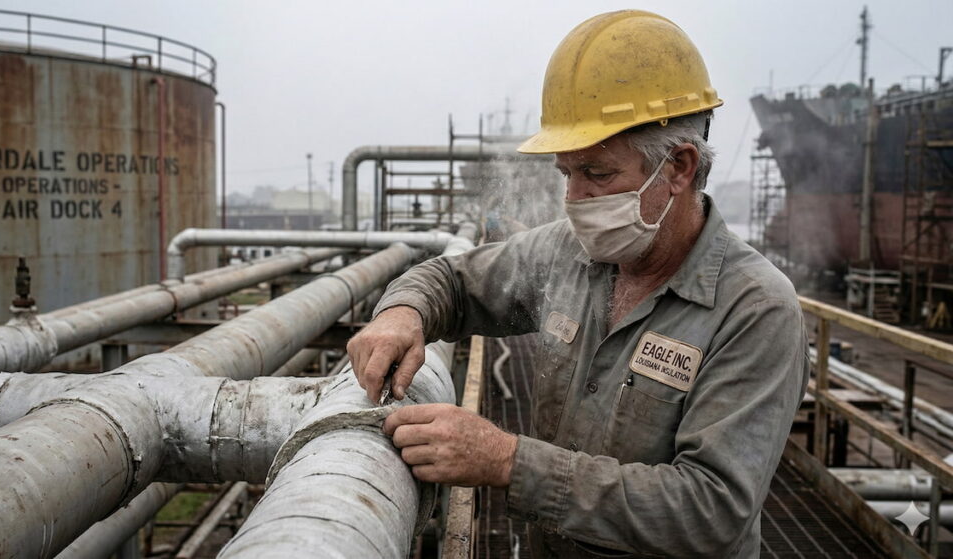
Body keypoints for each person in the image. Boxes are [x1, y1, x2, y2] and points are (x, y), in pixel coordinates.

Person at [346, 10, 810, 558]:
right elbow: (453, 278)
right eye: (567, 174)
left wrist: (508, 462)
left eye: (598, 174)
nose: (574, 200)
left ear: (679, 168)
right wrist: (403, 312)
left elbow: (711, 511)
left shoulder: (755, 310)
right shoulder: (569, 253)